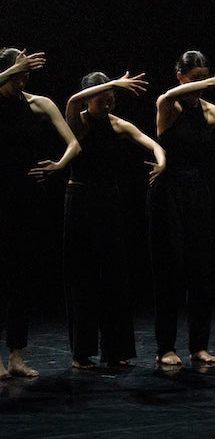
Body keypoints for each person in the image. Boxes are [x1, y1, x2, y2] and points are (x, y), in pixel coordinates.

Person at [148, 50, 215, 366]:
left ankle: (198, 346)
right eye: (196, 79)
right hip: (168, 193)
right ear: (180, 77)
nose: (203, 85)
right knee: (170, 271)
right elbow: (167, 95)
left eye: (206, 79)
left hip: (198, 193)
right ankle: (165, 347)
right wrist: (214, 82)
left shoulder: (212, 112)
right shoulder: (169, 106)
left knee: (200, 270)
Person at [63, 70, 166, 369]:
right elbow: (72, 101)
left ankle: (116, 350)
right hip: (80, 199)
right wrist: (114, 83)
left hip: (108, 200)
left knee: (114, 275)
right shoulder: (78, 120)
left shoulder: (118, 124)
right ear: (90, 98)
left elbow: (153, 144)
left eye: (112, 97)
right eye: (102, 97)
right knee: (82, 276)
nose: (108, 102)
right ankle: (81, 353)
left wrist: (161, 162)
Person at [0, 47, 81, 378]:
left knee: (22, 278)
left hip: (27, 197)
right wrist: (8, 72)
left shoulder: (39, 103)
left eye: (25, 76)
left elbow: (74, 143)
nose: (22, 81)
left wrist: (58, 165)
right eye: (17, 75)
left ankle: (16, 356)